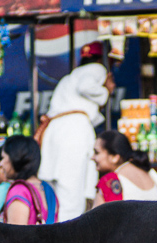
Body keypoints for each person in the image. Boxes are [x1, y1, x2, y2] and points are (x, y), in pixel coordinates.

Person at [37, 41, 115, 222]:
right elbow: (86, 87)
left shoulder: (70, 76)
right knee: (71, 194)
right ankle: (67, 241)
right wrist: (106, 91)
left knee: (56, 194)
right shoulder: (97, 69)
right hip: (73, 132)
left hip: (57, 132)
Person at [91, 130, 157, 207]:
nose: (92, 157)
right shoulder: (149, 172)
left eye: (97, 152)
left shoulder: (110, 181)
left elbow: (95, 219)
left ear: (115, 157)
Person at [0, 135, 58, 226]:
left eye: (3, 158)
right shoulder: (48, 189)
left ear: (15, 158)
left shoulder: (19, 190)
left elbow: (15, 237)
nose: (1, 164)